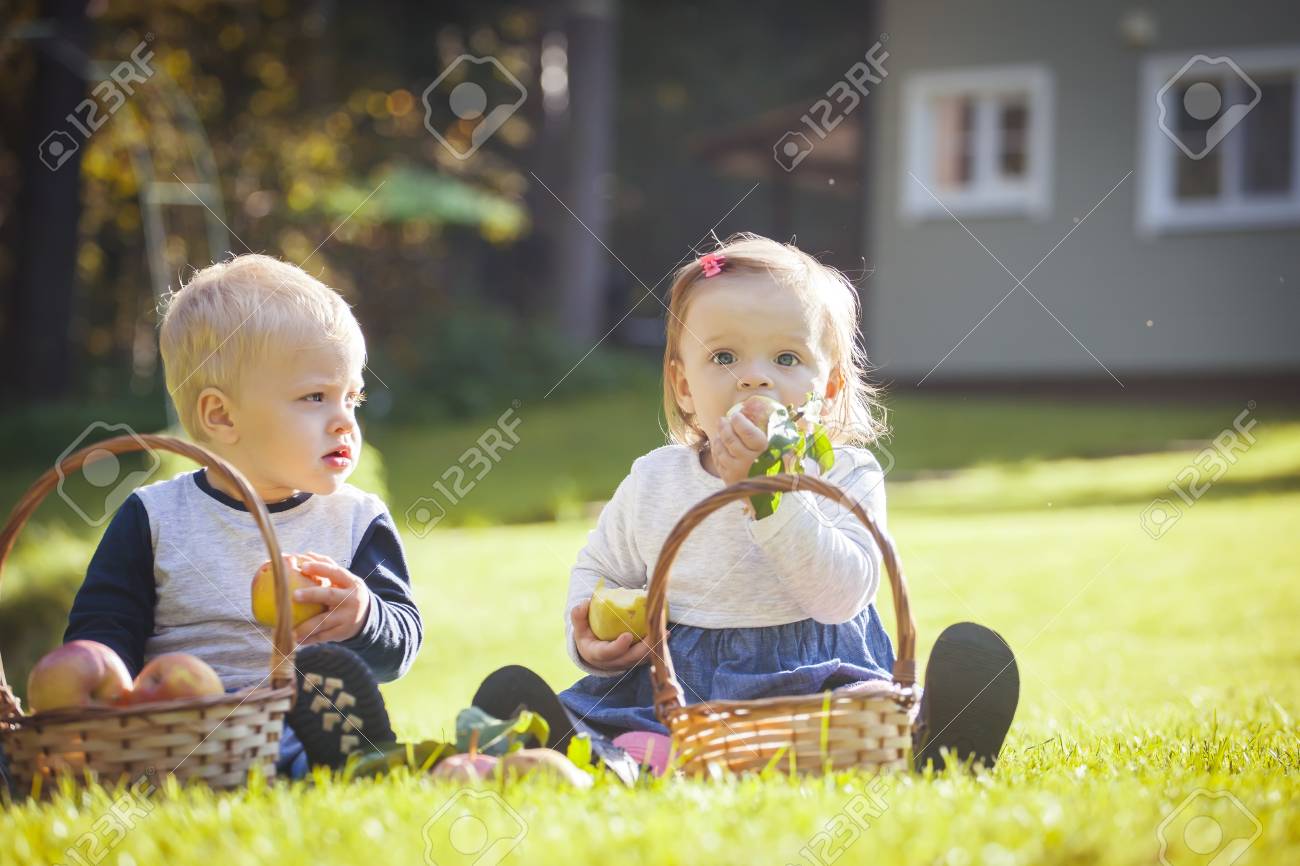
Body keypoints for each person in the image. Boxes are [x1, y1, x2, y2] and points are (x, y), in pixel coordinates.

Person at [474, 234, 1019, 775]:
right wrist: (589, 638)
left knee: (876, 707)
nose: (754, 376)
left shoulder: (846, 474)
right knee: (585, 711)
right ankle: (607, 754)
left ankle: (933, 743)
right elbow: (600, 569)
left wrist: (769, 497)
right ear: (684, 386)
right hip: (681, 696)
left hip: (817, 683)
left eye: (786, 357)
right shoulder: (655, 481)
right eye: (725, 356)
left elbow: (844, 595)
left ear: (828, 388)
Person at [62, 254, 414, 776]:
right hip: (174, 727)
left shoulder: (356, 519)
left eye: (352, 398)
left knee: (308, 725)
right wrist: (108, 704)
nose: (344, 421)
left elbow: (399, 645)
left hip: (296, 720)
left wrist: (364, 615)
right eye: (315, 396)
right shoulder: (154, 518)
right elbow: (102, 632)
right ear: (222, 415)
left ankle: (351, 755)